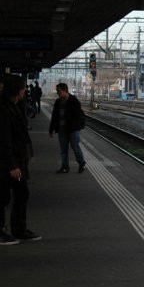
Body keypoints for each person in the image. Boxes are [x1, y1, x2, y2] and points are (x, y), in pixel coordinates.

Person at [0, 74, 40, 243]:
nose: (25, 91)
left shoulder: (14, 105)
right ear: (17, 90)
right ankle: (2, 232)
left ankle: (19, 229)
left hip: (18, 161)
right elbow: (4, 140)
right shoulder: (3, 109)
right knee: (2, 197)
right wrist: (12, 165)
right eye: (23, 88)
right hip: (8, 163)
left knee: (22, 194)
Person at [49, 83, 86, 174]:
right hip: (62, 130)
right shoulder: (58, 102)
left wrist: (78, 126)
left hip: (73, 130)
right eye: (57, 91)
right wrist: (51, 129)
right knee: (63, 150)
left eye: (59, 91)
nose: (57, 92)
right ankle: (65, 167)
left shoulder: (74, 100)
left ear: (64, 90)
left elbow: (79, 115)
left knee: (75, 147)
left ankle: (82, 163)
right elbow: (54, 116)